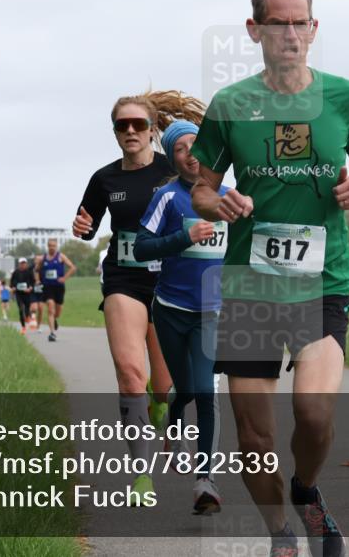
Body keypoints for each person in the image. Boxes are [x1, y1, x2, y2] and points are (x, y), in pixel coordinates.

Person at [191, 0, 349, 557]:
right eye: (279, 24)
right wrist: (219, 202)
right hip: (250, 286)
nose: (292, 35)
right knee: (254, 438)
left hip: (322, 282)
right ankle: (281, 535)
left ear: (314, 28)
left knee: (315, 412)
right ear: (255, 30)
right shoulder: (231, 105)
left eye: (302, 23)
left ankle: (305, 490)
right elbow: (201, 187)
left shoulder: (344, 97)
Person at [72, 90, 203, 501]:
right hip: (123, 280)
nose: (130, 130)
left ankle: (163, 410)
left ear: (151, 130)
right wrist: (82, 228)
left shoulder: (172, 169)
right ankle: (142, 475)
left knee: (164, 386)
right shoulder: (104, 179)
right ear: (115, 132)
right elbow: (89, 225)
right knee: (130, 375)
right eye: (122, 125)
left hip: (169, 282)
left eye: (138, 124)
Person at [134, 120, 228, 516]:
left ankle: (205, 480)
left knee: (206, 392)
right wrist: (183, 238)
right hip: (171, 310)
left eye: (196, 145)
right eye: (180, 148)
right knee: (185, 389)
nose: (190, 154)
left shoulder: (227, 196)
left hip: (211, 313)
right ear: (172, 158)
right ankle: (173, 418)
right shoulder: (168, 198)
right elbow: (141, 248)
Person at [38, 238, 77, 342]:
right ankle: (52, 333)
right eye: (50, 245)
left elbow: (72, 267)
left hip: (59, 287)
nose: (52, 247)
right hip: (47, 287)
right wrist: (38, 279)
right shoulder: (43, 258)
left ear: (56, 246)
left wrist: (64, 278)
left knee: (58, 312)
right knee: (50, 308)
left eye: (54, 245)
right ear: (47, 246)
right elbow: (36, 269)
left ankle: (55, 319)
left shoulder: (61, 256)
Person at [9, 257, 35, 333]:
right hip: (19, 293)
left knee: (27, 309)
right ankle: (23, 327)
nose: (22, 265)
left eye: (24, 263)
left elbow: (33, 281)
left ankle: (27, 316)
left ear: (26, 264)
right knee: (20, 309)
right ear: (19, 264)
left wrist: (30, 288)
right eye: (21, 263)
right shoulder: (16, 272)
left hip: (27, 293)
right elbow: (12, 282)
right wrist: (13, 287)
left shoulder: (29, 272)